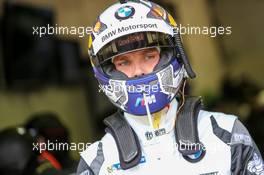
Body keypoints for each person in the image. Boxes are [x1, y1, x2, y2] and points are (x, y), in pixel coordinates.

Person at [77, 0, 264, 174]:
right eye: (123, 62)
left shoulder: (228, 134)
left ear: (173, 55)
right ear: (107, 70)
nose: (138, 72)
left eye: (149, 57)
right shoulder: (96, 161)